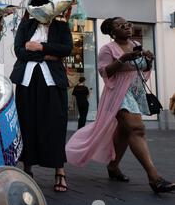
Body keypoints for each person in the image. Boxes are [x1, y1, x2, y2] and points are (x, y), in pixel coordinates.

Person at [66, 17, 174, 194]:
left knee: (125, 131)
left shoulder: (134, 44)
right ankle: (155, 178)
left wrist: (149, 60)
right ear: (112, 32)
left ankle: (113, 167)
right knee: (137, 128)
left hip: (134, 91)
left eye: (128, 23)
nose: (126, 26)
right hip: (118, 93)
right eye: (120, 25)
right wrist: (123, 59)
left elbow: (142, 69)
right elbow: (104, 72)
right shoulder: (107, 49)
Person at [10, 17, 73, 192]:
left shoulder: (61, 26)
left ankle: (59, 170)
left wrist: (40, 47)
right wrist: (48, 56)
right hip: (26, 80)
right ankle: (27, 168)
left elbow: (67, 49)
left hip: (53, 81)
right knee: (26, 122)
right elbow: (19, 51)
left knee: (55, 123)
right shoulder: (26, 25)